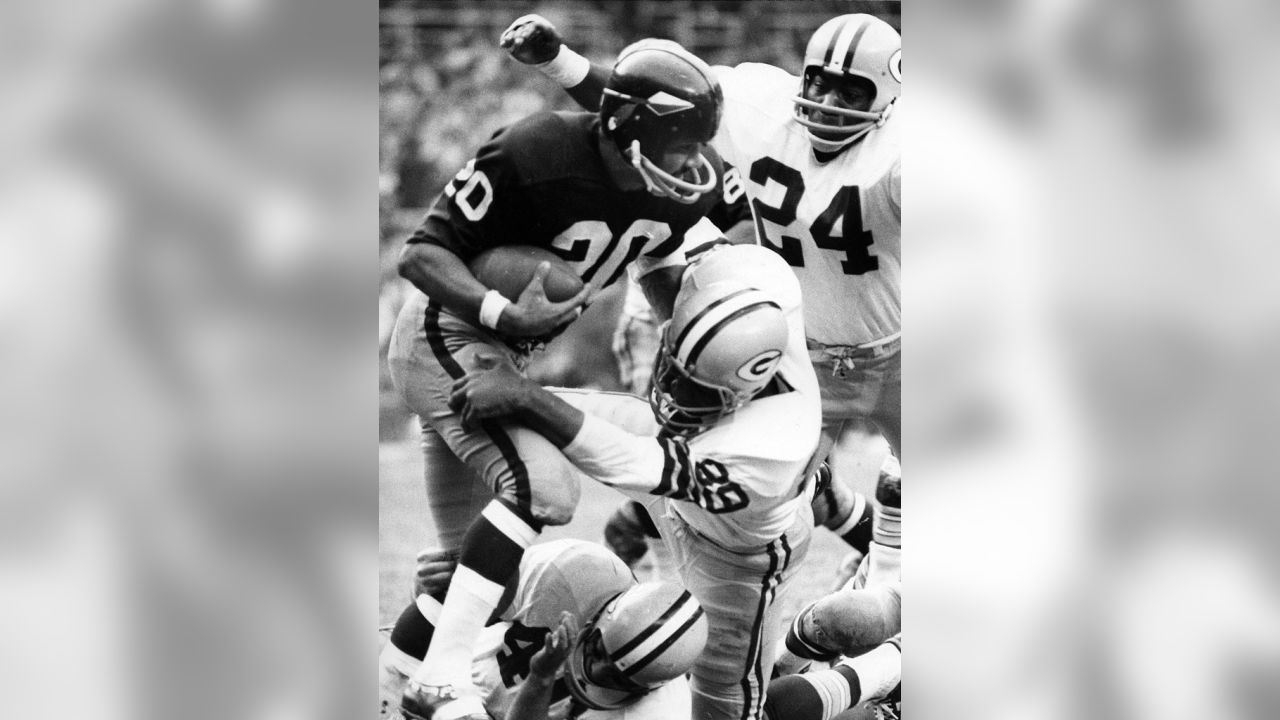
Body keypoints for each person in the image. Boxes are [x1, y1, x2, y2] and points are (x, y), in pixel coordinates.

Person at [388, 39, 729, 720]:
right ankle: (446, 674)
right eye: (681, 144)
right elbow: (421, 253)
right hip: (446, 338)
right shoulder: (535, 153)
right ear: (631, 129)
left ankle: (400, 686)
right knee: (544, 488)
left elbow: (658, 265)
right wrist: (500, 311)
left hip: (501, 360)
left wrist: (688, 350)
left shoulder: (674, 189)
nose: (697, 163)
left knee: (476, 574)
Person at [501, 9, 902, 473]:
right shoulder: (761, 104)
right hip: (801, 353)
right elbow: (646, 101)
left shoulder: (908, 150)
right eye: (819, 82)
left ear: (888, 100)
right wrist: (558, 60)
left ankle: (888, 533)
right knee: (756, 494)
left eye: (851, 92)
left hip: (904, 356)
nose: (829, 100)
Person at [448, 243, 820, 720]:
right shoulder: (749, 276)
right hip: (675, 455)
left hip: (735, 549)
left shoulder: (768, 449)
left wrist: (524, 393)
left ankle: (860, 666)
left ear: (743, 392)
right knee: (481, 407)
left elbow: (631, 461)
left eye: (694, 387)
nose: (671, 387)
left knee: (723, 715)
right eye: (675, 366)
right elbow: (663, 242)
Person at [382, 539, 708, 720]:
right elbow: (466, 595)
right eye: (598, 653)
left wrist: (540, 678)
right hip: (452, 668)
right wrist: (432, 586)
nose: (593, 671)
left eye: (612, 676)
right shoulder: (576, 574)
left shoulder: (659, 712)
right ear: (607, 616)